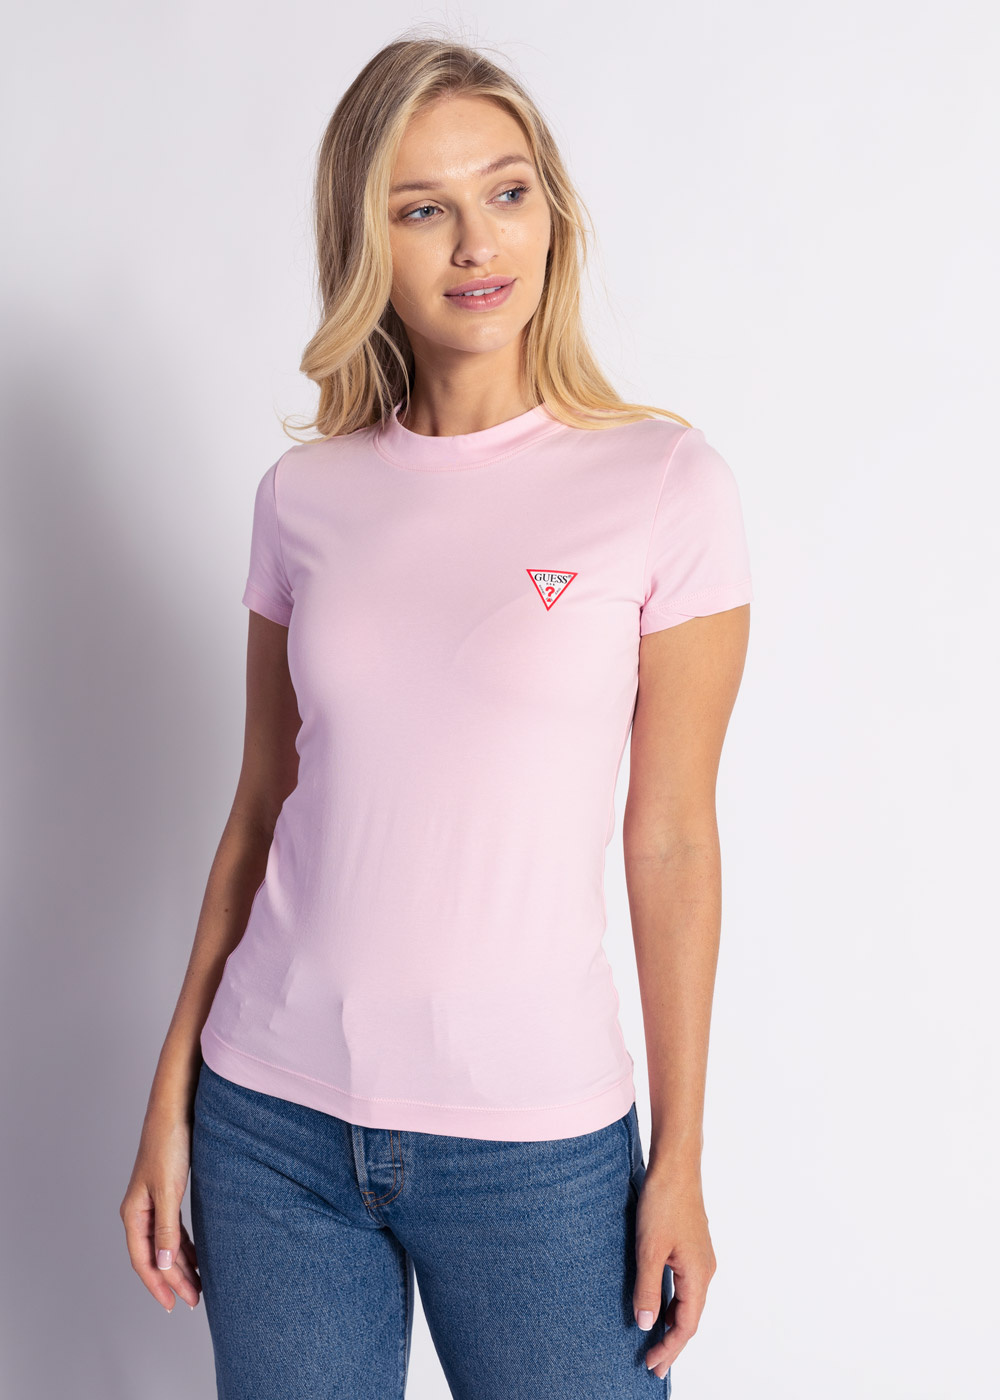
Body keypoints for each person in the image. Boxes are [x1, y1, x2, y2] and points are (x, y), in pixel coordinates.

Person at [119, 33, 753, 1400]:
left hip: (535, 1147)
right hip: (271, 1122)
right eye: (423, 209)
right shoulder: (304, 499)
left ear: (552, 213)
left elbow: (673, 841)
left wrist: (682, 1156)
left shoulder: (664, 485)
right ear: (367, 243)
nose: (477, 243)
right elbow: (263, 808)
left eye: (507, 192)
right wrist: (171, 1097)